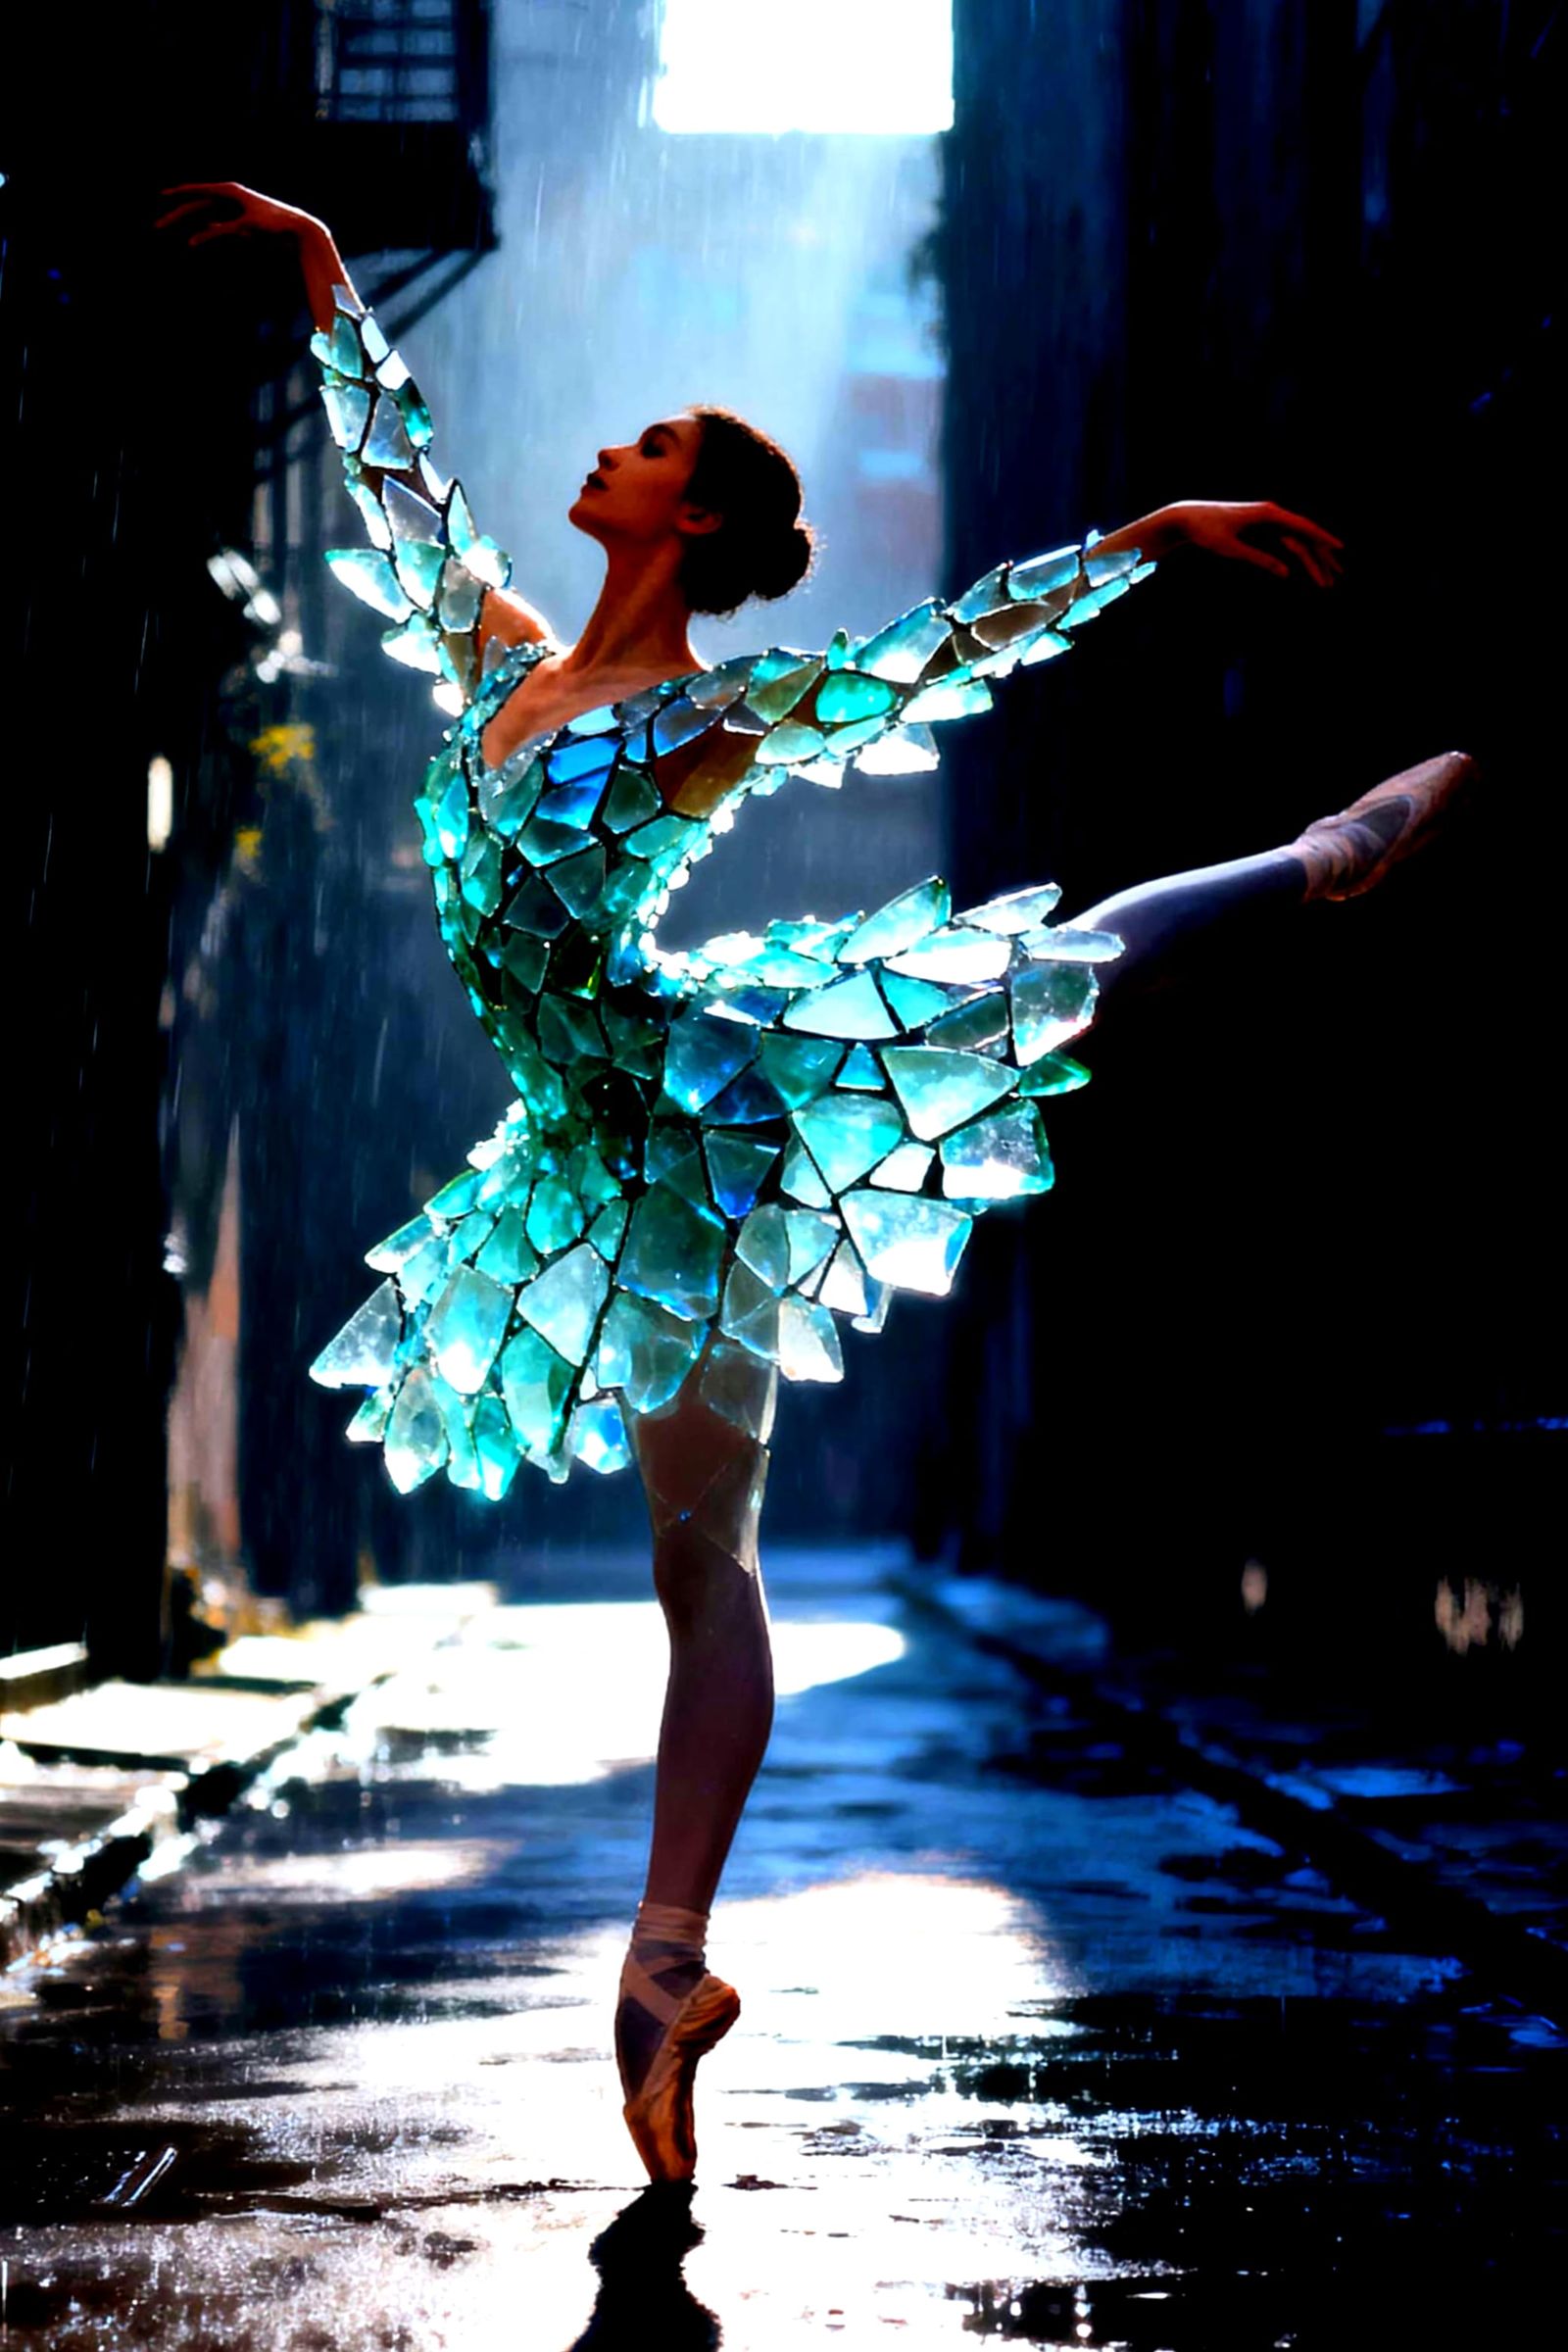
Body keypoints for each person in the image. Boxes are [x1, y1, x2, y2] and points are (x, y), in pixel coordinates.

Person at [155, 182, 1473, 2183]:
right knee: (704, 1568)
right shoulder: (500, 653)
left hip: (700, 1124)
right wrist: (328, 265)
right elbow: (400, 490)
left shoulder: (697, 724)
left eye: (651, 443)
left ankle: (1319, 858)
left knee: (1046, 976)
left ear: (688, 517)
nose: (607, 449)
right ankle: (667, 1980)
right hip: (588, 1149)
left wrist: (1134, 545)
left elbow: (924, 658)